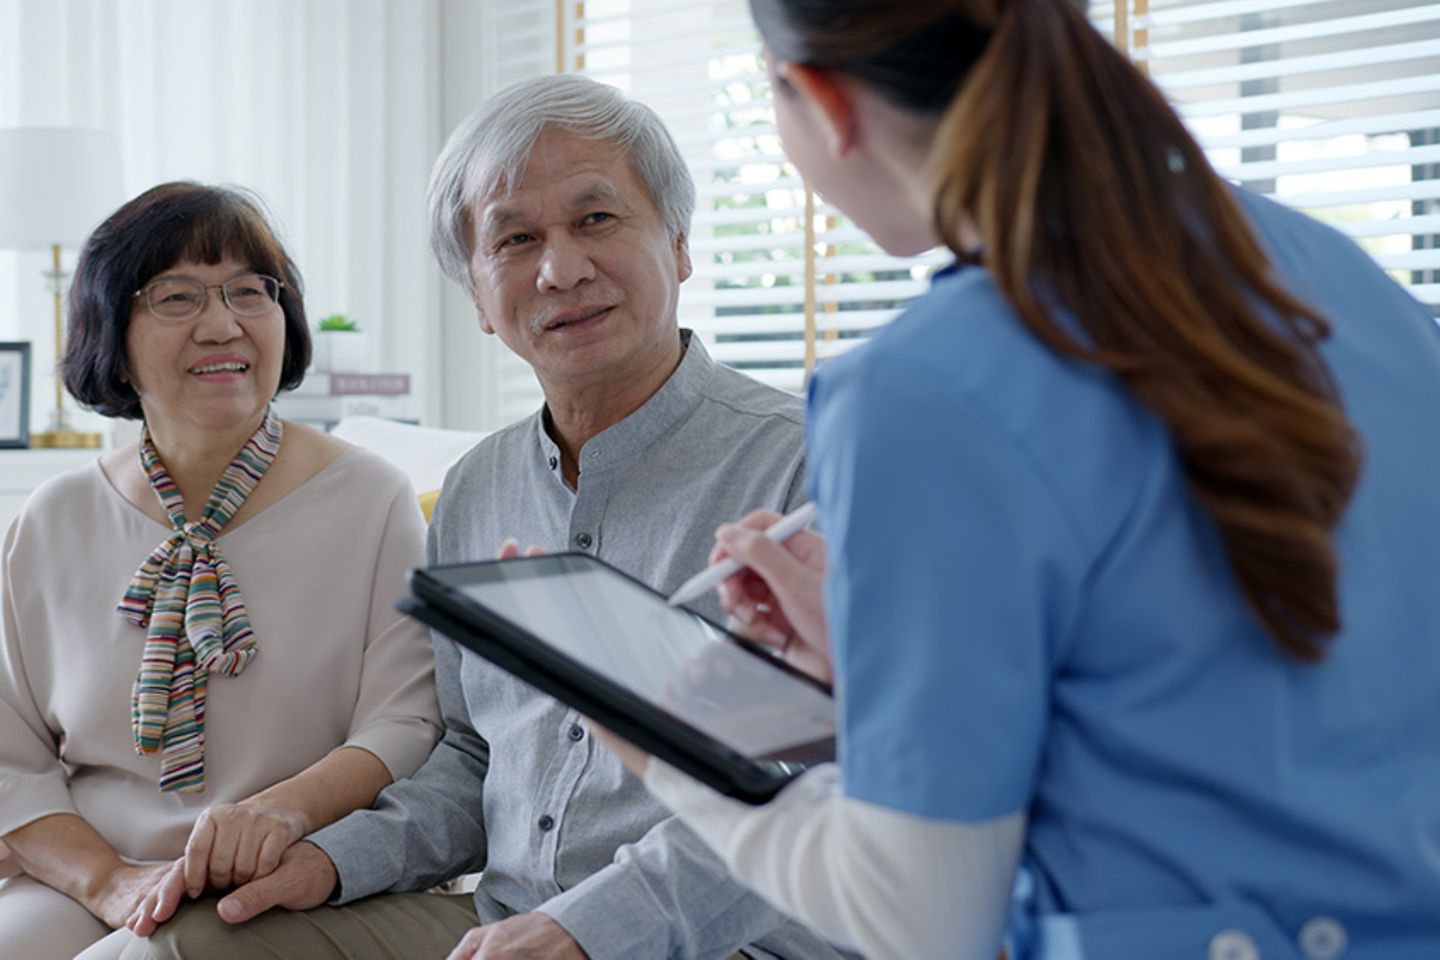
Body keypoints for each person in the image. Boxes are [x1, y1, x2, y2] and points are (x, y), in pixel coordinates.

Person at [592, 1, 1440, 959]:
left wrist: (666, 753)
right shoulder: (1329, 267)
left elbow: (920, 918)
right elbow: (1238, 676)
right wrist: (895, 679)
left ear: (825, 103)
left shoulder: (922, 388)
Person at [124, 76, 849, 960]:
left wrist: (586, 930)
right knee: (197, 941)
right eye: (515, 238)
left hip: (739, 938)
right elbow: (475, 757)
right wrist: (330, 858)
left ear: (681, 243)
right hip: (499, 920)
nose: (561, 269)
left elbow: (825, 789)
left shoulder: (813, 466)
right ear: (475, 293)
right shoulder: (477, 488)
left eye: (596, 220)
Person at [0, 182, 443, 960]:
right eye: (176, 297)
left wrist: (276, 815)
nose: (221, 324)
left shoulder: (372, 501)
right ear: (114, 335)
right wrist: (105, 879)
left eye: (249, 291)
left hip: (282, 873)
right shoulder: (54, 518)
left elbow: (406, 723)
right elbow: (11, 754)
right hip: (94, 868)